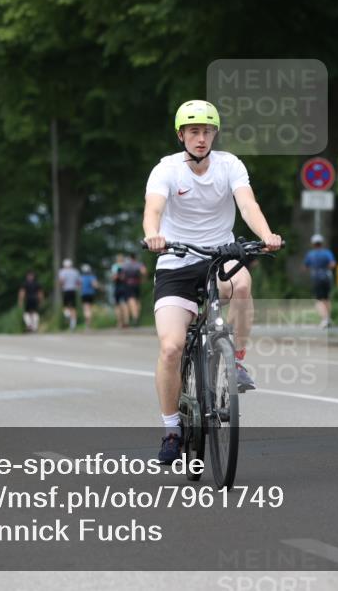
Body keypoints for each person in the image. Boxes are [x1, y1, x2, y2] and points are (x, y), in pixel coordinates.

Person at [143, 99, 282, 464]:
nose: (201, 138)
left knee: (243, 285)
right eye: (193, 131)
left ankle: (235, 358)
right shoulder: (166, 170)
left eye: (206, 131)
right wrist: (153, 234)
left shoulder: (229, 165)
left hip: (220, 255)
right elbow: (153, 209)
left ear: (214, 134)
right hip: (176, 259)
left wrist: (266, 234)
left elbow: (247, 204)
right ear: (181, 136)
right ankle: (172, 429)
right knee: (171, 348)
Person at [303, 234, 336, 328]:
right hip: (327, 277)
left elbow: (306, 267)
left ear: (313, 244)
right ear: (322, 243)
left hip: (316, 278)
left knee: (318, 300)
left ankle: (324, 319)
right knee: (327, 298)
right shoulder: (327, 252)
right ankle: (328, 318)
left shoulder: (310, 254)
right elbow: (332, 264)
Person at [123, 253, 148, 326]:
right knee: (137, 300)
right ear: (135, 257)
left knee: (132, 301)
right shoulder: (138, 264)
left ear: (129, 258)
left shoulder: (126, 265)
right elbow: (144, 271)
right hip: (137, 284)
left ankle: (135, 317)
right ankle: (137, 315)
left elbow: (122, 276)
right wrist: (144, 279)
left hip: (129, 285)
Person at [58, 259, 81, 330]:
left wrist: (62, 285)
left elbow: (61, 281)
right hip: (73, 290)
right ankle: (73, 324)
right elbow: (78, 282)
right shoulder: (75, 271)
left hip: (66, 290)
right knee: (73, 307)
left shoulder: (62, 271)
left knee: (65, 306)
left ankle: (67, 315)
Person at [110, 254, 130, 328]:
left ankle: (119, 323)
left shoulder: (115, 266)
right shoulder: (126, 266)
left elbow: (113, 278)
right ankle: (126, 321)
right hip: (125, 287)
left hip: (117, 287)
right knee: (125, 304)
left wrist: (116, 276)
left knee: (117, 305)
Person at [79, 264, 100, 328]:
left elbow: (79, 286)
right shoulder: (92, 277)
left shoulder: (81, 278)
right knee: (89, 308)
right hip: (91, 294)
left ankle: (87, 323)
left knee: (86, 308)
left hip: (84, 294)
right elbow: (95, 285)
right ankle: (89, 323)